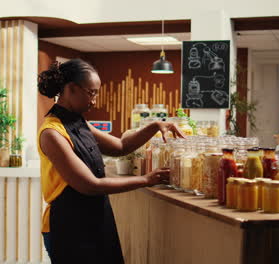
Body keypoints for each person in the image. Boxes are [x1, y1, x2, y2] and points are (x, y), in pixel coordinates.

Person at [37, 58, 184, 263]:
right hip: (68, 226)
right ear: (71, 89)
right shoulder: (52, 133)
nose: (94, 100)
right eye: (92, 93)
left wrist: (155, 126)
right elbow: (90, 185)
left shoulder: (80, 123)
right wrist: (146, 179)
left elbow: (120, 147)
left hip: (95, 218)